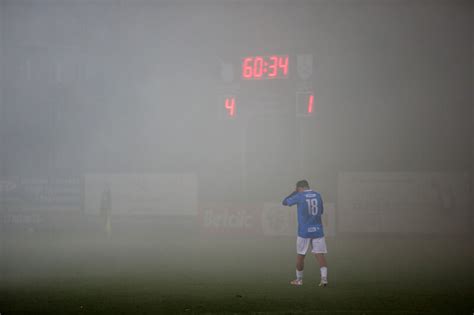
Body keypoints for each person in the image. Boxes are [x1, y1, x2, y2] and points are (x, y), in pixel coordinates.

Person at [282, 180, 328, 287]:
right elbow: (321, 211)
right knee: (320, 254)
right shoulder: (318, 195)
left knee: (301, 255)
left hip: (304, 231)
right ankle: (324, 279)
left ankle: (299, 280)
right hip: (318, 230)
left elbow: (284, 202)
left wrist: (294, 193)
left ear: (299, 188)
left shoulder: (300, 196)